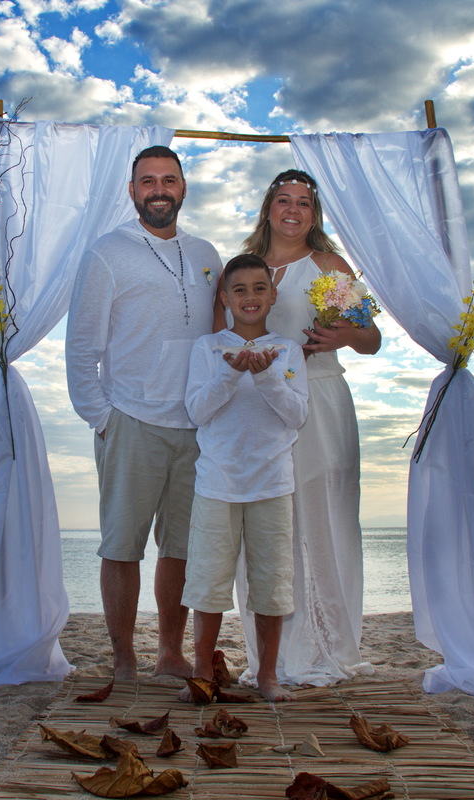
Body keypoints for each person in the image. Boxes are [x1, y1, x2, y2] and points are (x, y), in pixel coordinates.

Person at [66, 145, 223, 681]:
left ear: (183, 187)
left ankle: (170, 653)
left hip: (197, 425)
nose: (159, 189)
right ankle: (124, 657)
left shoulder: (206, 254)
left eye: (169, 180)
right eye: (148, 181)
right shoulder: (107, 252)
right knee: (122, 546)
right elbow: (82, 346)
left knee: (179, 549)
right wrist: (103, 418)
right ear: (132, 191)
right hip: (130, 420)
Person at [231, 169, 382, 686]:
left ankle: (325, 647)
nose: (293, 211)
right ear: (268, 206)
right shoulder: (247, 267)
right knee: (267, 526)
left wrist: (345, 335)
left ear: (315, 215)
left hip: (319, 400)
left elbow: (372, 338)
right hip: (255, 408)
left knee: (321, 520)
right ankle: (269, 655)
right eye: (283, 200)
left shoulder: (327, 266)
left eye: (305, 203)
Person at [181, 254, 308, 702]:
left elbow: (296, 416)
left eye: (259, 288)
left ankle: (268, 675)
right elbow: (197, 411)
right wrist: (230, 374)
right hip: (217, 482)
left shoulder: (287, 351)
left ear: (273, 295)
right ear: (224, 298)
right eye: (239, 290)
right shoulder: (208, 349)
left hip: (272, 483)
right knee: (209, 582)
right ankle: (201, 672)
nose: (250, 297)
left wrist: (269, 378)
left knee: (271, 583)